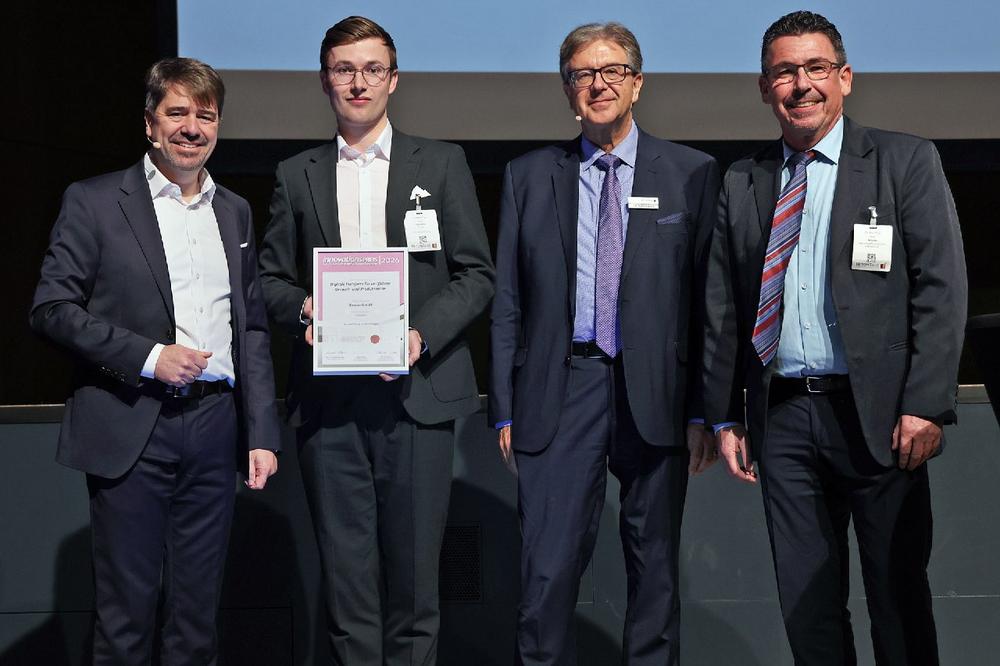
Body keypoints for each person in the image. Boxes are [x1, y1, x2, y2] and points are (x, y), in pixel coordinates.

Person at [703, 11, 967, 665]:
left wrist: (926, 404)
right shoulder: (742, 181)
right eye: (784, 72)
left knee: (897, 600)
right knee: (807, 607)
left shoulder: (904, 161)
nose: (802, 84)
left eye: (816, 68)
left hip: (880, 418)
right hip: (784, 421)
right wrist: (725, 414)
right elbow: (723, 307)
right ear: (764, 88)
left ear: (844, 77)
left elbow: (941, 288)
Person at [256, 16, 494, 666]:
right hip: (328, 407)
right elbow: (269, 280)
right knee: (347, 593)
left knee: (416, 593)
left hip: (416, 400)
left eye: (371, 69)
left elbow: (476, 274)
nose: (358, 82)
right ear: (324, 80)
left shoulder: (440, 163)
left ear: (393, 79)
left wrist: (418, 337)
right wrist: (306, 309)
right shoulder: (296, 173)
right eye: (344, 69)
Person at [30, 57, 280, 665]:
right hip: (130, 421)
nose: (192, 127)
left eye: (206, 115)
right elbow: (52, 308)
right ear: (150, 124)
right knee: (126, 619)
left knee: (197, 622)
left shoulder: (235, 211)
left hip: (215, 427)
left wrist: (261, 432)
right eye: (177, 113)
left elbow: (250, 327)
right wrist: (148, 357)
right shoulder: (94, 201)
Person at [489, 22, 720, 665]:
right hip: (562, 388)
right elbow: (508, 301)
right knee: (546, 576)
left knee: (656, 576)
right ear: (568, 90)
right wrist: (504, 409)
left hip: (658, 395)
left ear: (637, 84)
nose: (598, 84)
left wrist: (704, 409)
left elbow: (708, 305)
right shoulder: (528, 176)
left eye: (612, 70)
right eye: (582, 74)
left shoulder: (692, 173)